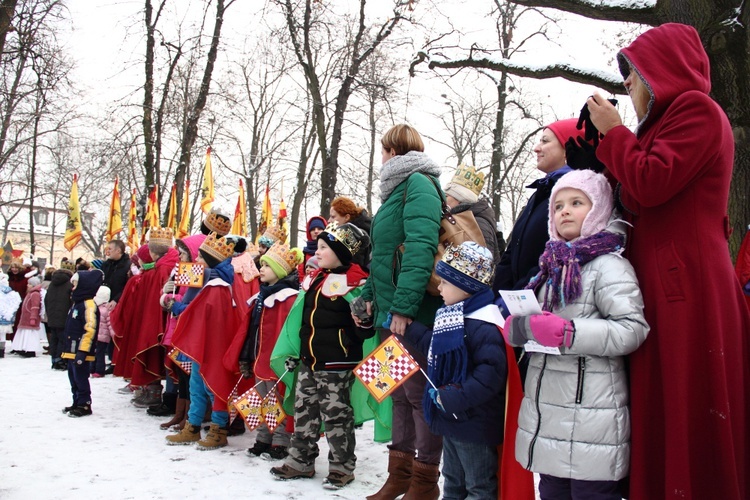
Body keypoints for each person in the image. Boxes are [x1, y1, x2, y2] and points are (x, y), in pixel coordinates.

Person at [585, 23, 750, 500]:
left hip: (688, 287)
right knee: (666, 402)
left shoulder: (697, 110)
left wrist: (614, 135)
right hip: (668, 283)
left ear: (659, 72)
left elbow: (651, 183)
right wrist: (603, 146)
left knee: (686, 401)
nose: (628, 88)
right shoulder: (663, 124)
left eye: (632, 76)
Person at [503, 169, 649, 499]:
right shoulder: (549, 268)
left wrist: (569, 332)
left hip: (592, 422)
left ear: (598, 209)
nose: (564, 211)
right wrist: (520, 328)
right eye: (558, 206)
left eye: (576, 202)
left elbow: (632, 329)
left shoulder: (609, 266)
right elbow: (533, 328)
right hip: (547, 417)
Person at [358, 124, 444, 500]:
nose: (381, 157)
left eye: (383, 150)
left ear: (392, 151)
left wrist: (404, 307)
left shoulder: (420, 184)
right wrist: (366, 297)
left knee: (416, 395)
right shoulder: (394, 191)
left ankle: (424, 483)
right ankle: (399, 475)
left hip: (412, 312)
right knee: (394, 392)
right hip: (389, 311)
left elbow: (422, 247)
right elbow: (383, 257)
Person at [269, 222, 373, 490]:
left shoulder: (355, 285)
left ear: (341, 253)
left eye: (325, 247)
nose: (318, 250)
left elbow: (365, 332)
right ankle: (300, 460)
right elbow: (301, 322)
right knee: (305, 412)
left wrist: (362, 319)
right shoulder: (315, 279)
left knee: (337, 416)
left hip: (337, 363)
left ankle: (342, 466)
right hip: (308, 361)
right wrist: (297, 352)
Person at [404, 242, 506, 499]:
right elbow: (437, 349)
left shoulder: (484, 324)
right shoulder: (451, 316)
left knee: (478, 486)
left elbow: (490, 374)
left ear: (465, 286)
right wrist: (411, 329)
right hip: (451, 417)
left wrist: (455, 396)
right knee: (452, 483)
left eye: (444, 283)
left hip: (474, 422)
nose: (438, 288)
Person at [167, 233, 247, 450]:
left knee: (215, 387)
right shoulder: (213, 284)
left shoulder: (218, 286)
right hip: (203, 346)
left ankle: (219, 429)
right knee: (196, 386)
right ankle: (192, 426)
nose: (197, 262)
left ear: (210, 261)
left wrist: (175, 307)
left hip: (214, 347)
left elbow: (197, 313)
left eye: (201, 259)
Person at [493, 119, 586, 294]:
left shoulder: (578, 195)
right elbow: (512, 250)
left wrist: (521, 292)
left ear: (568, 147)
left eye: (545, 141)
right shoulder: (540, 192)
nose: (536, 148)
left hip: (541, 299)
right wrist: (500, 293)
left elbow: (556, 253)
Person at [232, 241, 303, 460]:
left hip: (276, 361)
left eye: (267, 266)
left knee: (277, 400)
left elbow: (290, 332)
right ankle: (263, 437)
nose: (261, 269)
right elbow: (252, 329)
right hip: (259, 358)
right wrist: (246, 357)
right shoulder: (263, 297)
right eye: (261, 265)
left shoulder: (288, 299)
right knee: (262, 399)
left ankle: (281, 441)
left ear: (280, 271)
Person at [61, 270, 104, 418]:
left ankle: (85, 404)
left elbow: (90, 329)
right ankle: (76, 401)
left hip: (80, 350)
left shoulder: (88, 305)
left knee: (81, 378)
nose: (72, 288)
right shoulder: (77, 304)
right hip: (71, 349)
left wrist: (83, 351)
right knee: (73, 378)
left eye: (75, 285)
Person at [443, 165, 500, 265]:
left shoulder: (478, 222)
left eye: (447, 196)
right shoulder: (466, 219)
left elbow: (483, 266)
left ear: (459, 198)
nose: (443, 200)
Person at [45, 261, 75, 370]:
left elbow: (46, 300)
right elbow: (72, 301)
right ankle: (61, 360)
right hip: (64, 317)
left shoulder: (52, 285)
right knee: (63, 339)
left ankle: (54, 359)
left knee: (54, 338)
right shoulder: (69, 285)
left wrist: (49, 313)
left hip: (52, 316)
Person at [330, 197, 372, 270]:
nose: (329, 220)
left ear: (346, 217)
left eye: (333, 217)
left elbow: (353, 268)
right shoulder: (361, 230)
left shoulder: (353, 235)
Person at [10, 276, 44, 357]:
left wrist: (33, 317)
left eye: (29, 284)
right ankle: (24, 348)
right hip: (26, 318)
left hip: (29, 318)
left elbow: (35, 307)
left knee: (30, 335)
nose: (27, 285)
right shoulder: (31, 293)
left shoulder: (35, 294)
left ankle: (30, 350)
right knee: (25, 334)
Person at [90, 285, 111, 378]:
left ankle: (100, 370)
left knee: (100, 353)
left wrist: (112, 334)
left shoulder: (106, 309)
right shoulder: (95, 307)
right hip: (95, 334)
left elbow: (110, 322)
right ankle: (92, 368)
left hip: (103, 336)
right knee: (93, 352)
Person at [6, 260, 28, 341]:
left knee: (18, 323)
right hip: (10, 304)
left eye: (16, 267)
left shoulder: (24, 279)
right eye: (12, 267)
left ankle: (17, 342)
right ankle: (12, 341)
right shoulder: (8, 278)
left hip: (21, 303)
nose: (14, 269)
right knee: (11, 323)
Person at [0, 273, 21, 346]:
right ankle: (2, 351)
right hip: (6, 318)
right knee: (3, 336)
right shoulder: (12, 293)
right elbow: (17, 302)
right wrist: (11, 313)